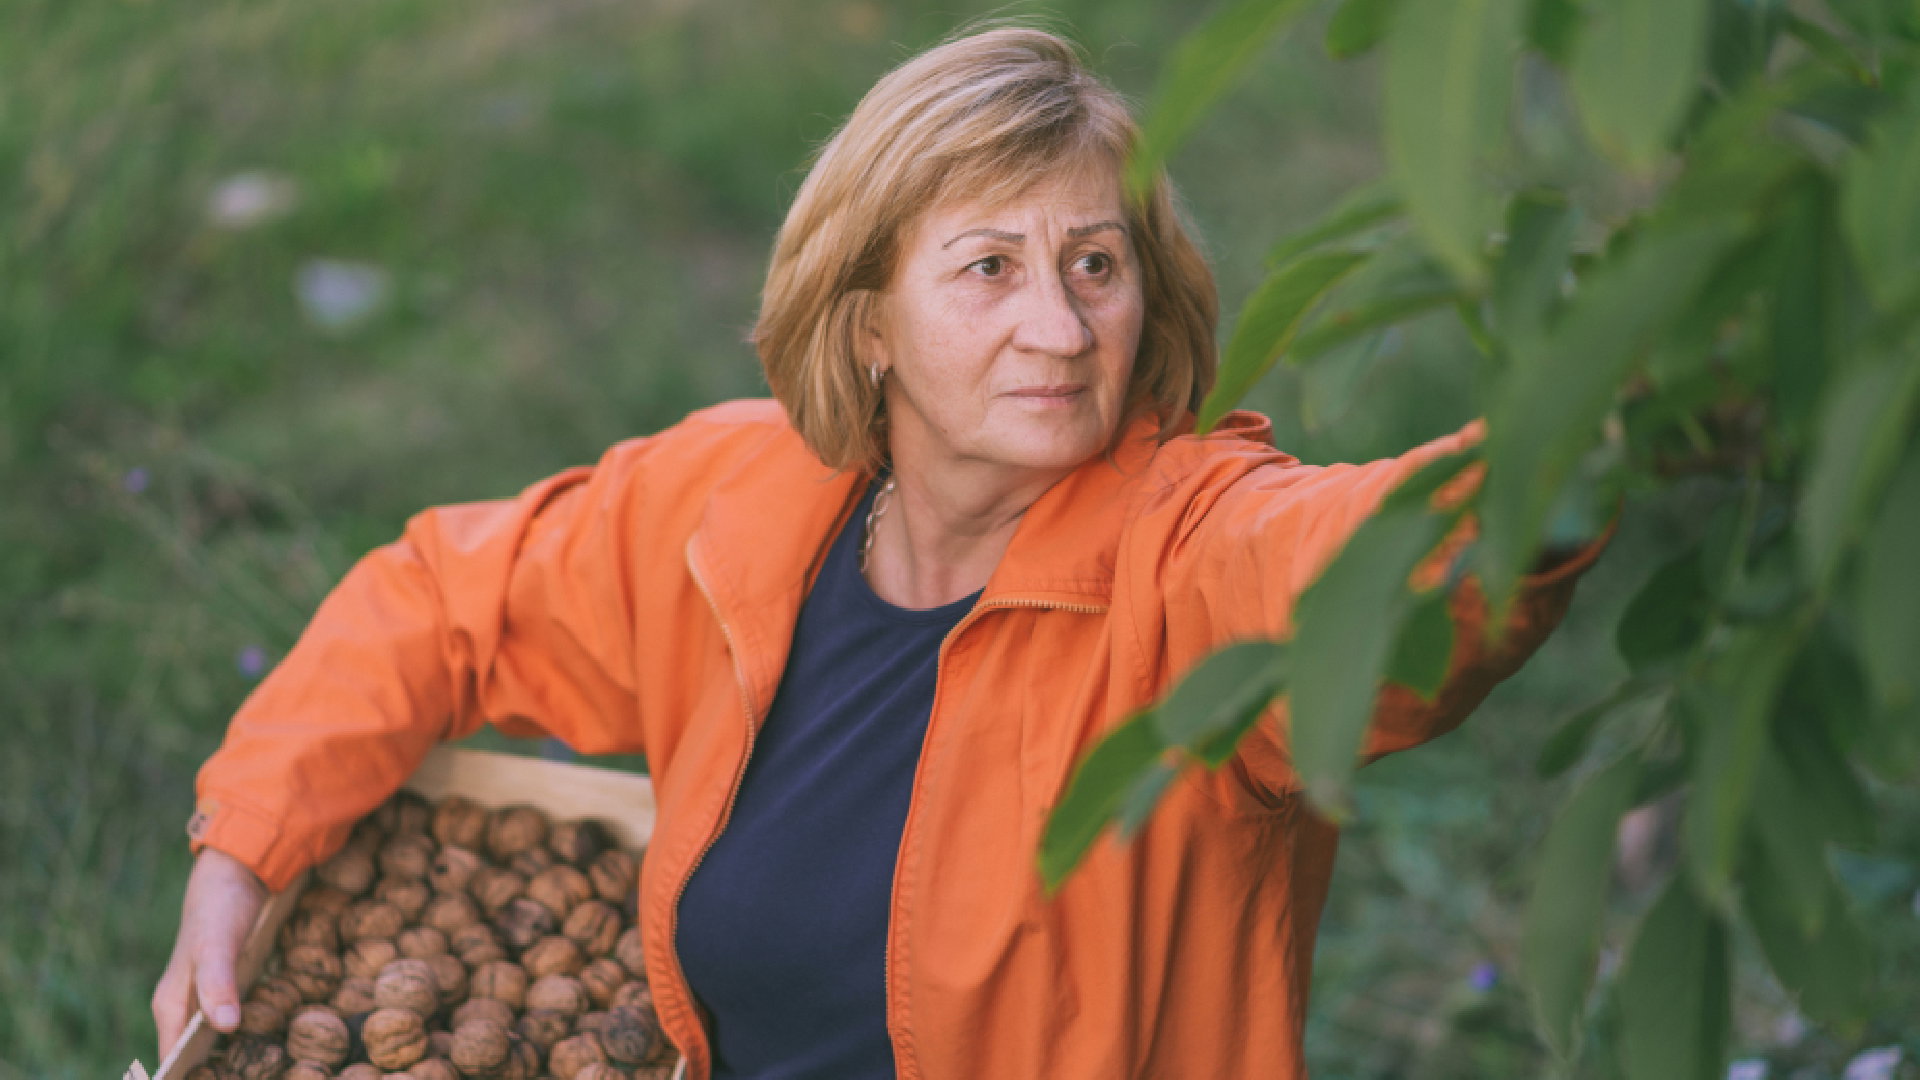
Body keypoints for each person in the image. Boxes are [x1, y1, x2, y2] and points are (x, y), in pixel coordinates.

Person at [155, 26, 1604, 1079]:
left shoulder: (1186, 555)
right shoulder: (740, 505)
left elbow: (1386, 576)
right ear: (868, 327)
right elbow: (447, 599)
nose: (1061, 324)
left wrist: (1588, 427)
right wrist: (246, 844)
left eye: (1095, 265)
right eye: (989, 269)